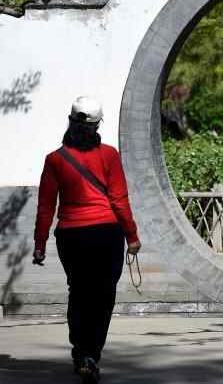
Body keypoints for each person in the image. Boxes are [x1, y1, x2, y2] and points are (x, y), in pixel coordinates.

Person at [32, 96, 141, 383]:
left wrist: (40, 244)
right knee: (104, 294)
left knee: (79, 292)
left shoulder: (55, 159)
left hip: (71, 235)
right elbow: (119, 200)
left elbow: (46, 206)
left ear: (70, 121)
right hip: (107, 234)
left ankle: (81, 352)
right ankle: (91, 354)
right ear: (97, 125)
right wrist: (132, 236)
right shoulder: (109, 155)